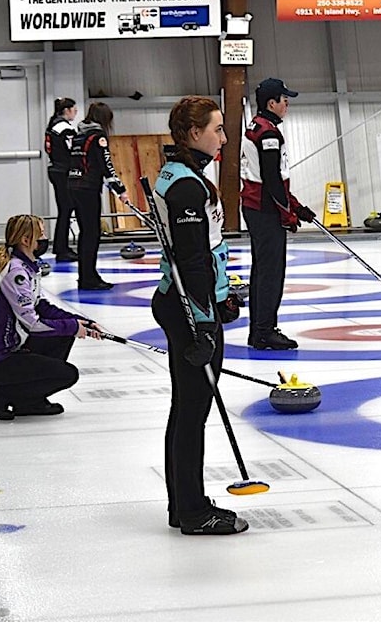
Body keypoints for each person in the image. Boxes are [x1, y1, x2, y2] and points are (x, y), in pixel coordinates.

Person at [152, 95, 248, 536]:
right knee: (192, 411)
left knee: (189, 409)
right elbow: (190, 262)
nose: (224, 138)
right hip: (188, 309)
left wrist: (223, 295)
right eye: (217, 129)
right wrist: (202, 323)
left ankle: (186, 499)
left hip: (192, 302)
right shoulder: (187, 187)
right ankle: (191, 510)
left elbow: (204, 254)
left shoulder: (185, 176)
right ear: (195, 134)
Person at [0, 214, 103, 421]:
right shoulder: (16, 272)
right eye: (41, 234)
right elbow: (33, 323)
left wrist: (78, 321)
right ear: (25, 240)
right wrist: (73, 327)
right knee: (67, 374)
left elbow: (41, 307)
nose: (44, 238)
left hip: (11, 349)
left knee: (63, 334)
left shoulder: (27, 266)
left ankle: (30, 400)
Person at [240, 78, 315, 350]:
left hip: (257, 205)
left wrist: (296, 206)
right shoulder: (269, 134)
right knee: (271, 272)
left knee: (262, 270)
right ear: (271, 103)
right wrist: (287, 214)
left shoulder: (257, 126)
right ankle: (264, 331)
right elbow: (271, 179)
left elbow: (274, 180)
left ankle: (258, 329)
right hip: (264, 208)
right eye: (285, 100)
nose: (287, 105)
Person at [68, 101, 128, 290]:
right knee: (92, 234)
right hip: (88, 189)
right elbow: (106, 165)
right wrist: (120, 189)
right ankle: (89, 279)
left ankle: (87, 275)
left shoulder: (79, 134)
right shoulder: (98, 136)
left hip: (73, 186)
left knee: (86, 233)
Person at [45, 97, 80, 262]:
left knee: (64, 209)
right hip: (63, 171)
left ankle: (61, 246)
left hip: (55, 169)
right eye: (74, 109)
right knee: (66, 209)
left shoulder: (52, 125)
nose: (76, 112)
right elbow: (72, 150)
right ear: (67, 110)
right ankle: (62, 248)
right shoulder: (65, 129)